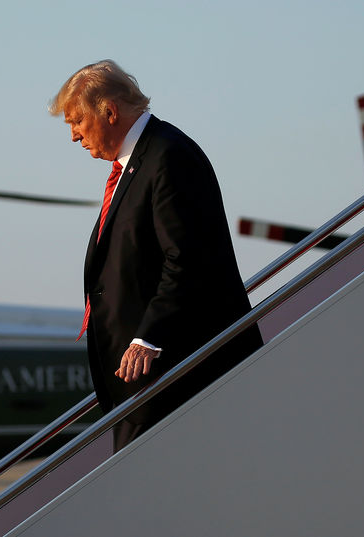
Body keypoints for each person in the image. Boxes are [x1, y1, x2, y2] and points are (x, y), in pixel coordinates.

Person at [50, 60, 262, 452]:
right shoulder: (137, 163)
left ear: (109, 111)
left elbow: (186, 257)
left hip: (173, 376)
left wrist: (149, 337)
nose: (75, 135)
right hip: (144, 384)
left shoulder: (168, 156)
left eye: (76, 121)